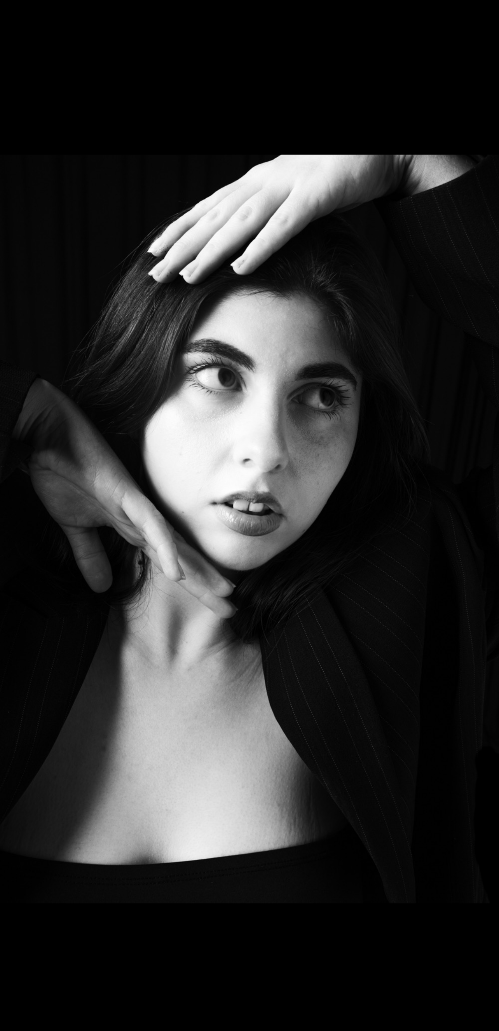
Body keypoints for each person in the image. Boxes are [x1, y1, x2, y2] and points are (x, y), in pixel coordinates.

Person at [0, 155, 496, 902]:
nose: (266, 450)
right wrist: (24, 414)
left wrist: (416, 165)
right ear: (140, 378)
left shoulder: (406, 588)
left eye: (321, 396)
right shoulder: (9, 594)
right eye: (219, 376)